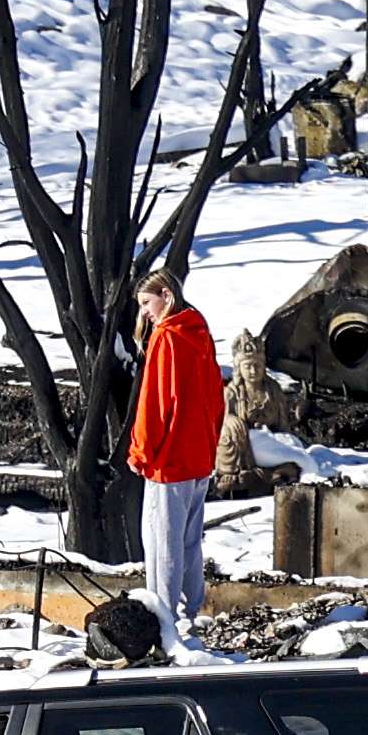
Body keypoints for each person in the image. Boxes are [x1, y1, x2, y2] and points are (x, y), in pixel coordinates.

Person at [128, 257, 226, 646]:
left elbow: (155, 404)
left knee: (160, 540)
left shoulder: (167, 337)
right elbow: (217, 397)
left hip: (169, 460)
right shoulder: (199, 334)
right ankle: (191, 611)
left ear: (165, 296)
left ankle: (162, 616)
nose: (145, 314)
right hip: (199, 455)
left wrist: (140, 452)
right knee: (189, 539)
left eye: (146, 304)